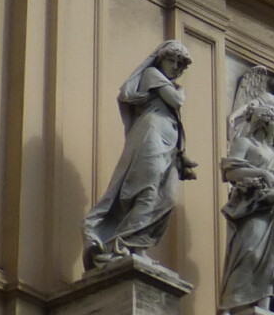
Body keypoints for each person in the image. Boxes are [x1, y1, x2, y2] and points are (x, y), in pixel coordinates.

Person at [82, 41, 195, 267]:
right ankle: (123, 246)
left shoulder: (167, 84)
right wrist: (179, 91)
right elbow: (176, 100)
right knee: (147, 190)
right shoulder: (152, 75)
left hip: (170, 144)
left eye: (179, 63)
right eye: (171, 60)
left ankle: (134, 244)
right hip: (151, 134)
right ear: (160, 60)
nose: (175, 66)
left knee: (168, 199)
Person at [219, 91, 274, 312]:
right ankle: (228, 307)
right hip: (249, 207)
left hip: (270, 211)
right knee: (249, 252)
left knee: (271, 259)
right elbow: (231, 171)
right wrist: (262, 173)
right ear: (265, 122)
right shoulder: (245, 143)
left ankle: (263, 307)